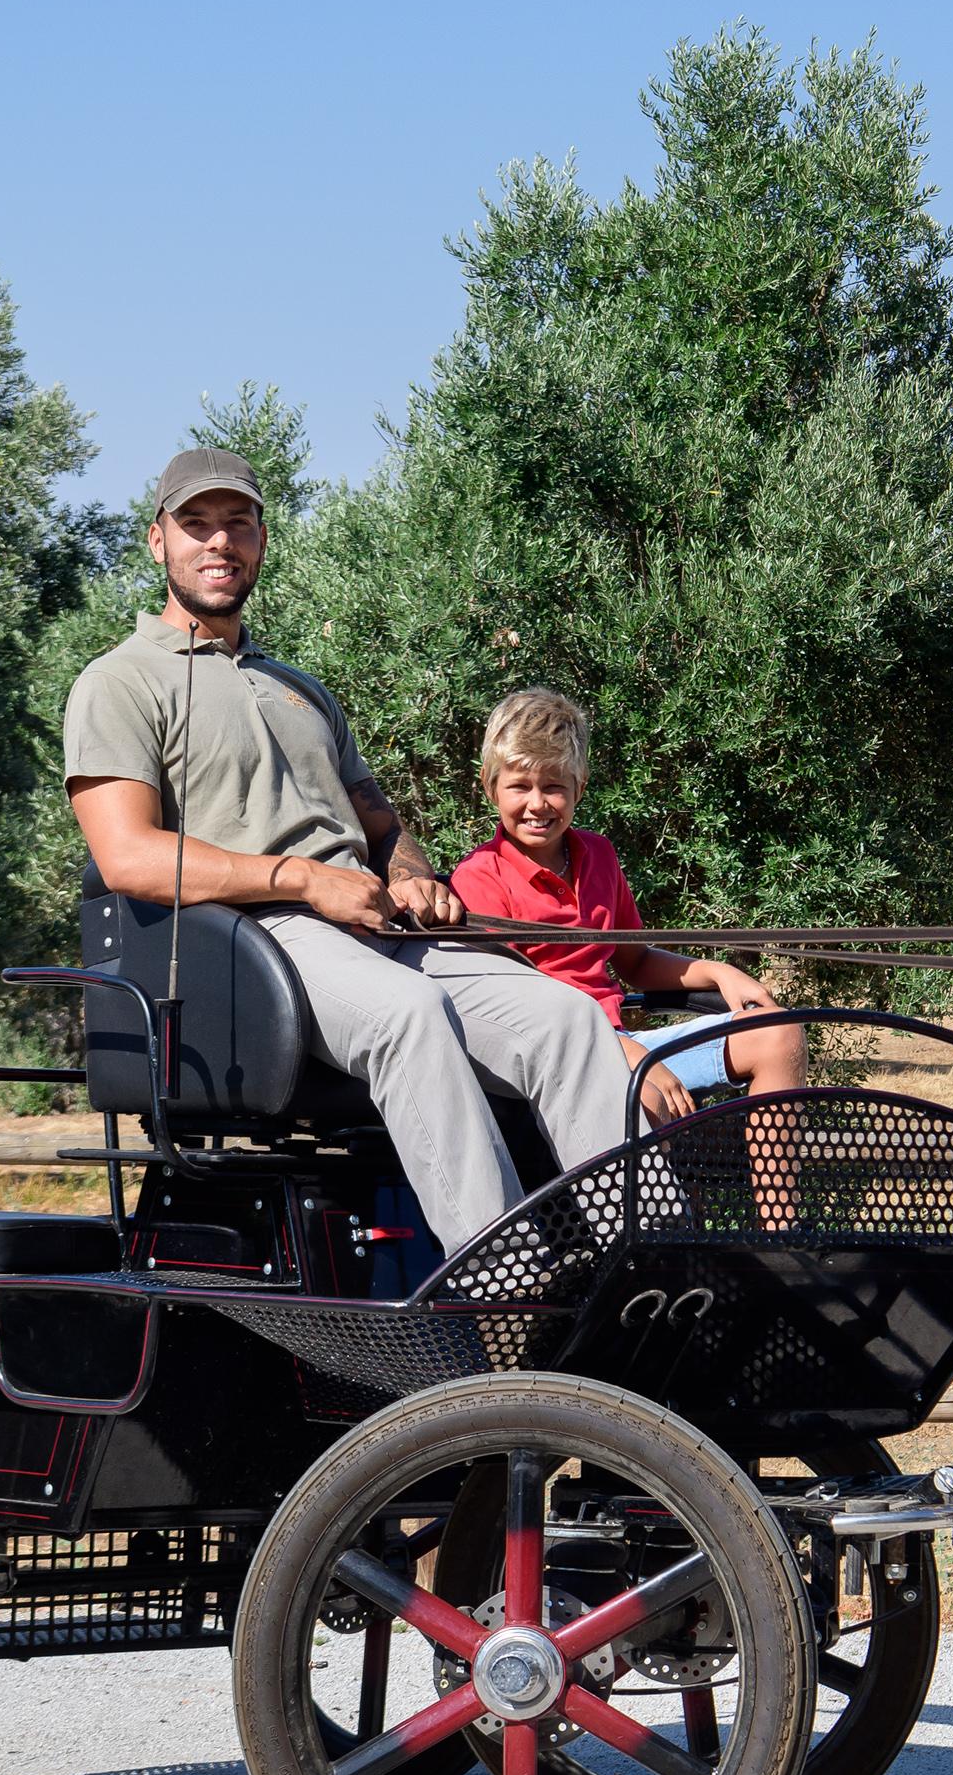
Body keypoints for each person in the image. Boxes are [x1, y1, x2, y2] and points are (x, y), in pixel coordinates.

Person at [60, 448, 627, 1259]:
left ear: (261, 539)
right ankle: (505, 1281)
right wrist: (302, 880)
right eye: (196, 524)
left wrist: (412, 876)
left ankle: (641, 1264)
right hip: (258, 938)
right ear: (158, 541)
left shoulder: (302, 689)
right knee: (409, 1017)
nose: (219, 542)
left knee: (566, 1018)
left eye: (238, 523)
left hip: (378, 929)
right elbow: (130, 858)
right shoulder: (118, 682)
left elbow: (383, 826)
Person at [447, 688, 807, 1124]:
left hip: (620, 1043)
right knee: (647, 1099)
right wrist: (632, 1056)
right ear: (490, 786)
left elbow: (635, 961)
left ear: (579, 787)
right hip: (554, 1060)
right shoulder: (480, 878)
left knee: (778, 1033)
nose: (537, 804)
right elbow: (522, 1011)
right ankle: (660, 1194)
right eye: (520, 787)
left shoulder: (598, 856)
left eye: (554, 787)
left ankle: (776, 1197)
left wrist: (718, 972)